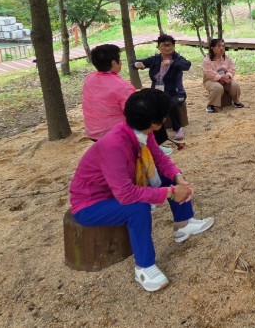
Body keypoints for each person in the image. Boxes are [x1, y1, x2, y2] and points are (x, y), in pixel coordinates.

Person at [69, 89, 214, 292]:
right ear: (156, 122)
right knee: (138, 208)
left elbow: (160, 159)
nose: (165, 119)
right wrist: (171, 192)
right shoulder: (115, 146)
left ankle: (183, 224)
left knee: (166, 177)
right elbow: (126, 194)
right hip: (91, 203)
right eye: (164, 116)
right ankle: (144, 267)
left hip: (119, 187)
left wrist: (178, 178)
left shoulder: (142, 132)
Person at [83, 44, 173, 154]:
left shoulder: (90, 78)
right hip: (113, 133)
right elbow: (134, 113)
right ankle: (152, 148)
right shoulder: (122, 86)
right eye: (119, 59)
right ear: (114, 63)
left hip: (92, 132)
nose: (121, 62)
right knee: (150, 114)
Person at [133, 34, 191, 139]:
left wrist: (172, 62)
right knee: (144, 103)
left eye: (170, 45)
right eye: (165, 45)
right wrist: (137, 64)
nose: (168, 48)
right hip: (158, 92)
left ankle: (178, 128)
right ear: (158, 47)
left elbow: (186, 65)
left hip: (176, 93)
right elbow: (135, 63)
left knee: (170, 103)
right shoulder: (155, 59)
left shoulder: (177, 58)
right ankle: (151, 132)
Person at [202, 38, 244, 112]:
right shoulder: (207, 60)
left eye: (223, 46)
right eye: (218, 46)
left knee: (235, 85)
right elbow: (209, 73)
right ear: (212, 48)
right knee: (217, 87)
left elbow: (232, 68)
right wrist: (221, 78)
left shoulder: (227, 58)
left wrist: (228, 76)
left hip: (225, 78)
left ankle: (236, 102)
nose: (221, 48)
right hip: (210, 80)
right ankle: (210, 105)